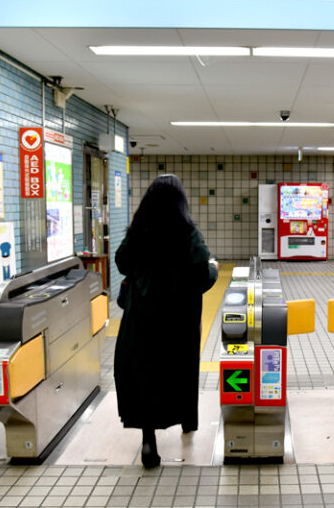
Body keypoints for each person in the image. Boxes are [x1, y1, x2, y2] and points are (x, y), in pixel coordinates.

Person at [114, 174, 218, 468]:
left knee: (145, 375)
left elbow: (123, 262)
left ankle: (149, 442)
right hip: (179, 322)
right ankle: (187, 421)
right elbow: (201, 275)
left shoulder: (138, 233)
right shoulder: (187, 233)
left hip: (142, 321)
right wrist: (213, 269)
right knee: (180, 371)